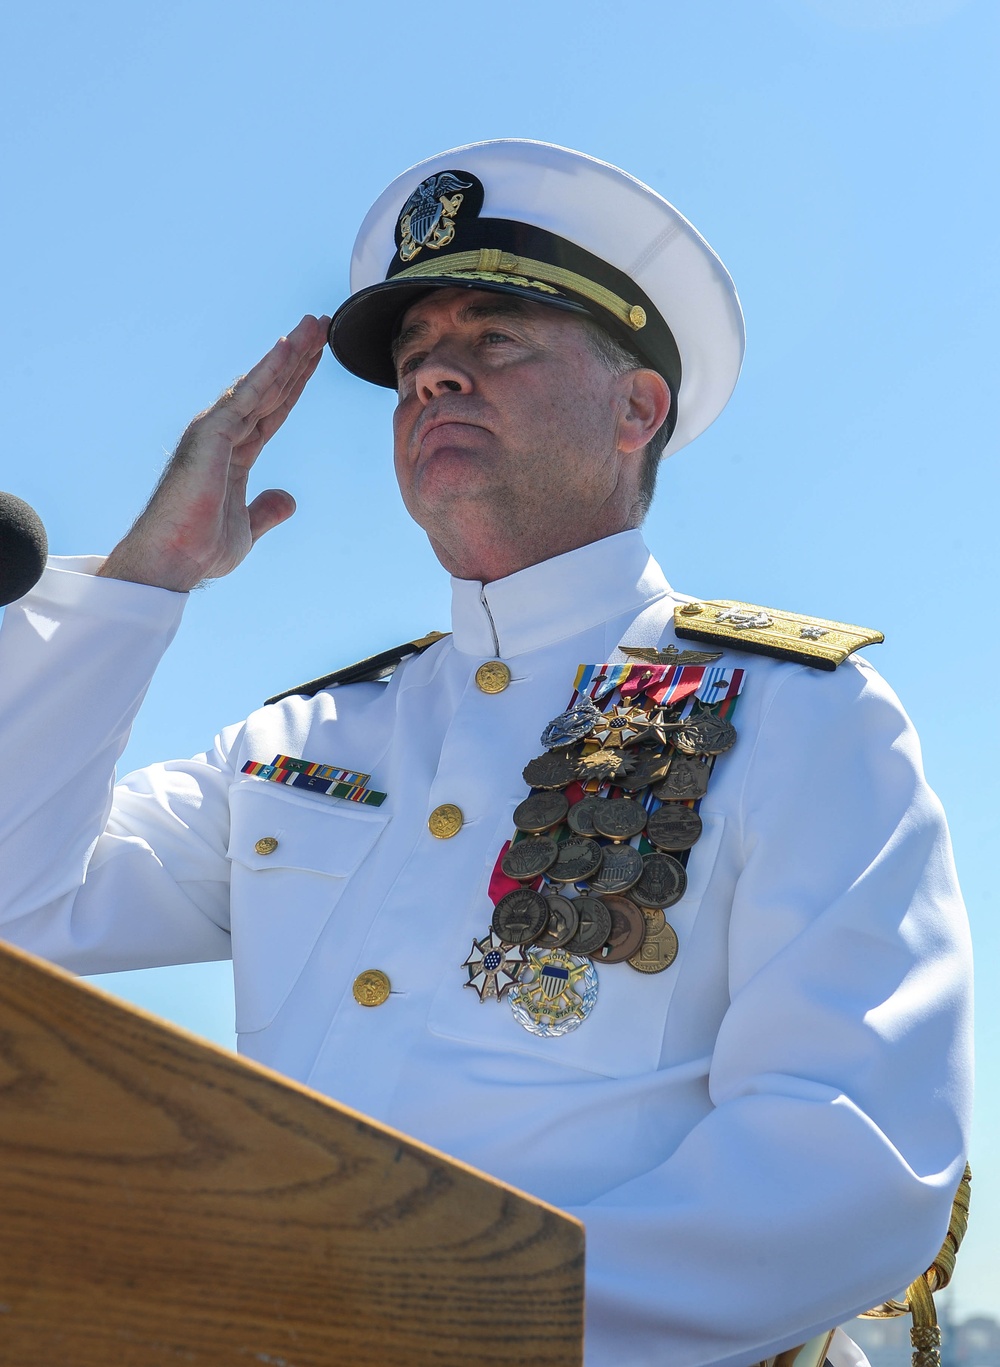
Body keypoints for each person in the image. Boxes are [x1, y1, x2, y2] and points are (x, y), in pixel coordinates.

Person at [0, 140, 972, 1367]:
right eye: (412, 364)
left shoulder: (799, 713)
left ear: (637, 409)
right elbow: (20, 909)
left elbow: (848, 1155)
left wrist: (440, 1319)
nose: (436, 376)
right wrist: (151, 573)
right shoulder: (304, 740)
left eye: (495, 339)